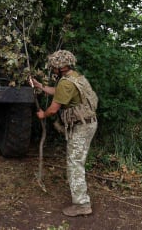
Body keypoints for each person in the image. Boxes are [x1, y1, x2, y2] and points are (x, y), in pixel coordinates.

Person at [29, 50, 98, 217]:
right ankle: (81, 200)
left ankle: (82, 204)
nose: (52, 69)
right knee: (75, 161)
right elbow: (59, 92)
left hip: (81, 127)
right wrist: (40, 87)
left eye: (53, 67)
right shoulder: (74, 77)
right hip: (87, 124)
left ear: (61, 67)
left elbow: (53, 109)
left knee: (75, 163)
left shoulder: (66, 83)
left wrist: (42, 114)